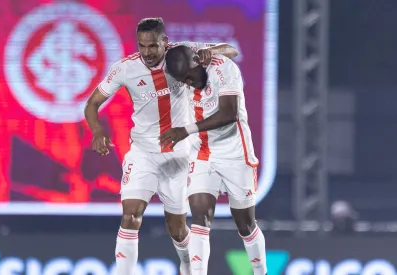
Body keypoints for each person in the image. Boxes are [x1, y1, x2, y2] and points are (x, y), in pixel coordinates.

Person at [84, 18, 238, 275]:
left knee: (177, 228)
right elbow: (91, 103)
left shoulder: (183, 54)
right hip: (143, 153)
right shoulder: (125, 68)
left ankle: (189, 265)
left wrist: (211, 52)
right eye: (142, 46)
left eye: (153, 46)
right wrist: (98, 131)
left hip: (179, 154)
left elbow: (231, 50)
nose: (147, 52)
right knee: (131, 215)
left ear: (165, 43)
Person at [161, 45, 267, 275]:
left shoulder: (225, 70)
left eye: (189, 76)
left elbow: (229, 113)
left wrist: (186, 130)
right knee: (200, 216)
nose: (188, 82)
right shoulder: (180, 71)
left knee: (245, 224)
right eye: (183, 80)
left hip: (235, 153)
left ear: (198, 61)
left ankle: (261, 272)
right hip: (202, 154)